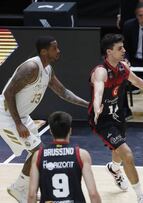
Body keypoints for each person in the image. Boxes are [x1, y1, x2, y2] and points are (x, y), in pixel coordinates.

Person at [0, 36, 89, 203]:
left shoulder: (47, 69)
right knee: (37, 152)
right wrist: (18, 123)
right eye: (55, 48)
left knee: (36, 153)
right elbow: (8, 93)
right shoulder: (31, 67)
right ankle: (19, 188)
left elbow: (63, 92)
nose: (59, 51)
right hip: (6, 116)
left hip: (22, 116)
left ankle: (19, 187)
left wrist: (88, 105)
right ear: (44, 51)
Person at [89, 33, 143, 203]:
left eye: (123, 47)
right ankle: (141, 196)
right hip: (102, 120)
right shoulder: (101, 71)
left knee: (118, 150)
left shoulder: (123, 68)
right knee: (127, 154)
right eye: (120, 48)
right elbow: (99, 89)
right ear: (109, 52)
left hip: (118, 116)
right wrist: (96, 107)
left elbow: (138, 82)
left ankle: (114, 168)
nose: (124, 50)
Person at [28, 111, 101, 203]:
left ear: (50, 131)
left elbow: (31, 194)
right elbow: (93, 194)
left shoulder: (38, 155)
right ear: (70, 130)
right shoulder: (81, 154)